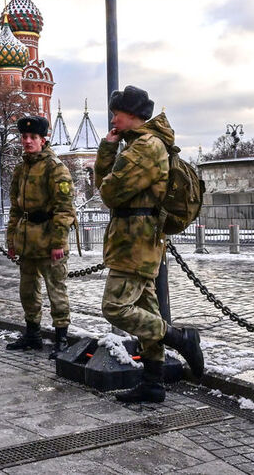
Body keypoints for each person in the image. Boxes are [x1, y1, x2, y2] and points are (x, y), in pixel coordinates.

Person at [95, 85, 204, 403]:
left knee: (115, 307)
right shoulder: (135, 145)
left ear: (133, 115)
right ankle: (153, 381)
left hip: (136, 240)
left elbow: (109, 193)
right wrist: (108, 148)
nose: (113, 117)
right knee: (146, 309)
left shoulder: (146, 147)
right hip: (135, 236)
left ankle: (182, 338)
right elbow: (106, 185)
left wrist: (110, 163)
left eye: (117, 112)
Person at [5, 115, 76, 358]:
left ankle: (61, 338)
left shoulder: (55, 168)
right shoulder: (21, 168)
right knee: (28, 291)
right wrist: (11, 241)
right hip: (27, 241)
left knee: (56, 290)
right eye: (24, 137)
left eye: (32, 137)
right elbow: (16, 209)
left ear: (43, 140)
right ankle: (32, 334)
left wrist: (59, 242)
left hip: (48, 239)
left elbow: (64, 209)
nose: (27, 141)